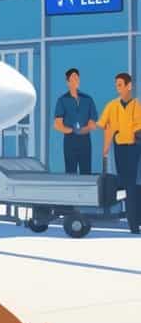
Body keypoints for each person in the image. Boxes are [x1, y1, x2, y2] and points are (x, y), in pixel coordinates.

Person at [98, 72, 141, 234]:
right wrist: (105, 148)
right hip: (121, 150)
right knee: (128, 186)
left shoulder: (136, 106)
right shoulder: (112, 106)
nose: (118, 88)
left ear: (129, 86)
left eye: (120, 84)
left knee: (134, 187)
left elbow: (139, 127)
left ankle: (135, 223)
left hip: (135, 149)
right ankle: (133, 225)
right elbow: (104, 125)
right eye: (116, 85)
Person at [54, 68, 96, 174]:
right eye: (73, 79)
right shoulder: (62, 100)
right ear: (67, 82)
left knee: (86, 172)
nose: (76, 81)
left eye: (77, 79)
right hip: (70, 141)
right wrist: (72, 130)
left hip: (85, 141)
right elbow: (57, 125)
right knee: (70, 172)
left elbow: (93, 123)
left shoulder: (88, 99)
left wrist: (83, 130)